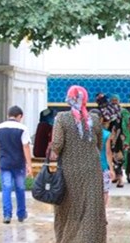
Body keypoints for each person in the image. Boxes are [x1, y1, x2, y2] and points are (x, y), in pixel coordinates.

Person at [49, 85, 106, 242]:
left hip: (69, 171)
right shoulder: (94, 120)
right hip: (92, 171)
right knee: (91, 209)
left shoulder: (61, 118)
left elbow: (57, 144)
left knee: (69, 208)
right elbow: (98, 145)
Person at [0, 106, 33, 224]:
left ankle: (7, 215)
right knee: (20, 188)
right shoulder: (23, 128)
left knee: (6, 188)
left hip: (4, 164)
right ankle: (21, 214)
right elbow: (26, 147)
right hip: (19, 164)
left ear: (8, 115)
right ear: (19, 116)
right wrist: (29, 165)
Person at [110, 94, 130, 188]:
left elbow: (129, 125)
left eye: (116, 100)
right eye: (113, 100)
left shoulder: (125, 112)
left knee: (119, 158)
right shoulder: (109, 112)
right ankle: (115, 176)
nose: (114, 101)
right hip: (112, 138)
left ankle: (120, 179)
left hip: (122, 139)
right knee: (112, 158)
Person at [97, 112, 116, 207]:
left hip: (89, 166)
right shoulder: (106, 134)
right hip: (103, 166)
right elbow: (108, 152)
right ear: (101, 120)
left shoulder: (85, 134)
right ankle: (101, 213)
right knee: (104, 191)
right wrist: (111, 169)